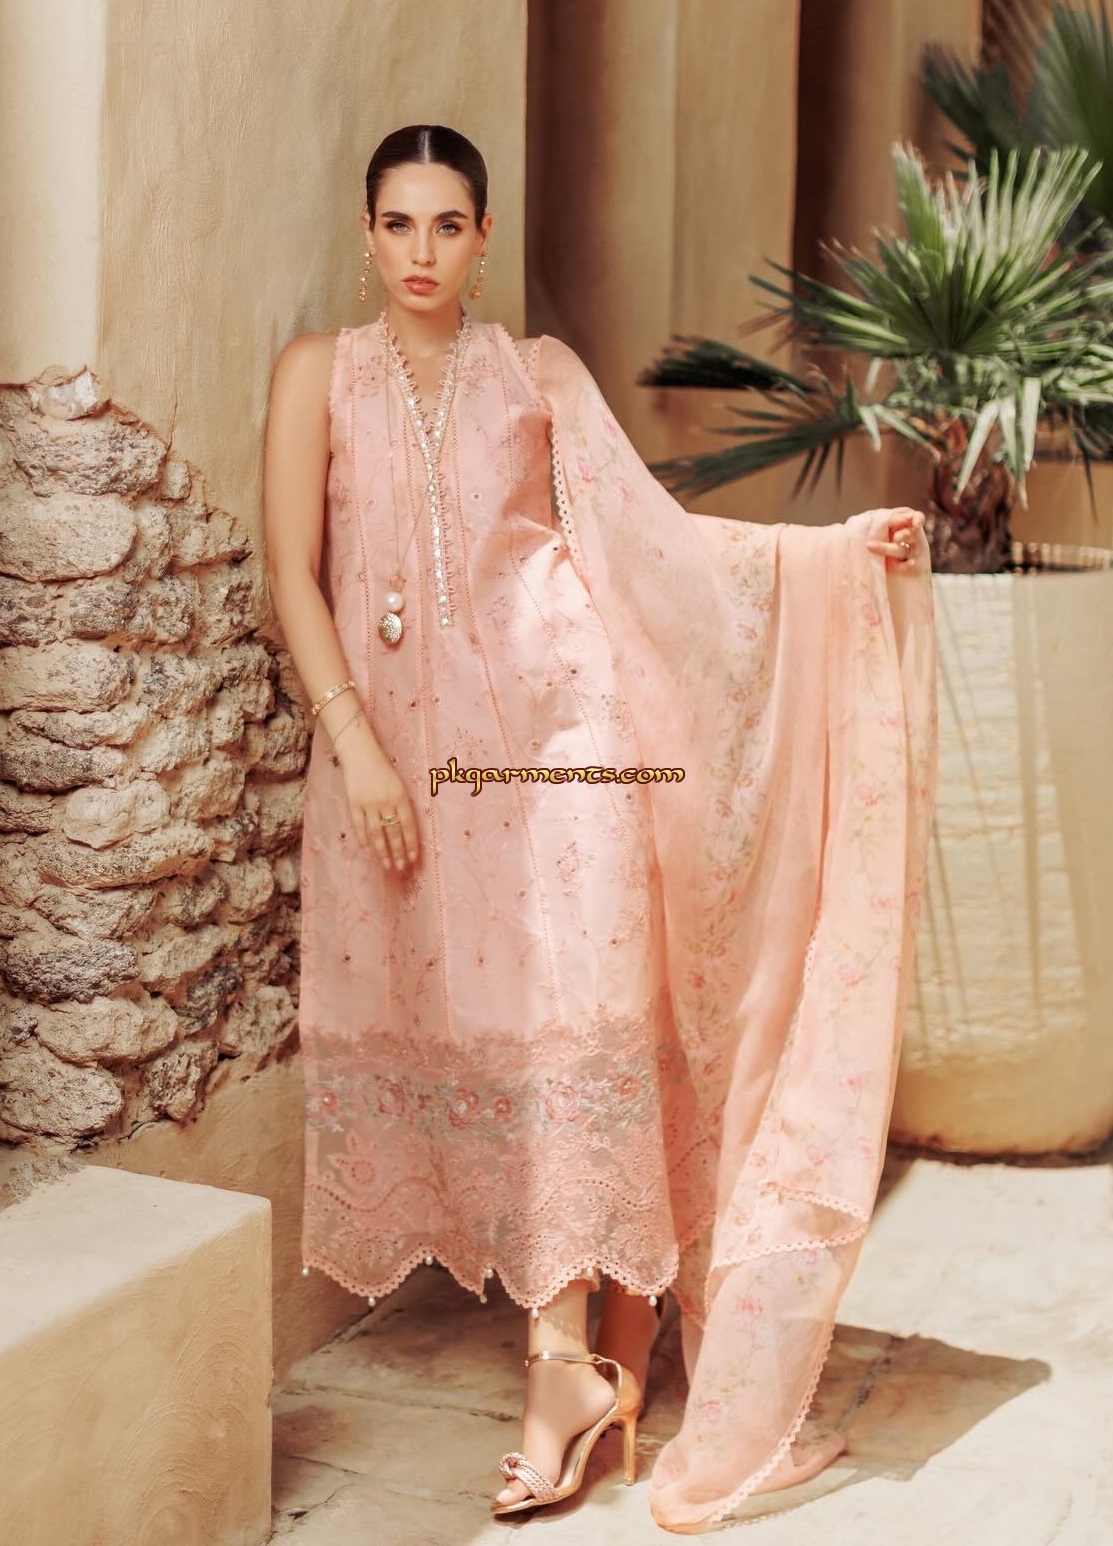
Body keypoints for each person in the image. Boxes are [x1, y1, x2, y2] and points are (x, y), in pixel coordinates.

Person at [263, 124, 936, 1534]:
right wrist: (355, 742)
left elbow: (648, 544)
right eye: (400, 224)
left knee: (571, 1027)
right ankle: (587, 1355)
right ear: (366, 235)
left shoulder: (540, 377)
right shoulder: (317, 374)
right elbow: (292, 573)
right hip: (395, 767)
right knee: (478, 1037)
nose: (424, 251)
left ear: (485, 237)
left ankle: (558, 1368)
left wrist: (828, 557)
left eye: (450, 224)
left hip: (561, 750)